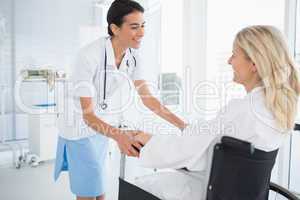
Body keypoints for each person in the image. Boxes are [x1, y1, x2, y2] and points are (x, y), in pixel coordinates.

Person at [133, 25, 300, 200]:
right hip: (239, 193)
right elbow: (211, 144)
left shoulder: (243, 109)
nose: (229, 61)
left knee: (143, 185)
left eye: (234, 55)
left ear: (254, 64)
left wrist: (150, 142)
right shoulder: (276, 110)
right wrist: (187, 130)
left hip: (217, 193)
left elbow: (187, 150)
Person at [54, 0, 186, 200]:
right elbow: (87, 115)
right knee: (88, 191)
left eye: (143, 26)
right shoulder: (89, 55)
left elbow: (148, 99)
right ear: (115, 28)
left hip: (101, 126)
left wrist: (183, 126)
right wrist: (119, 136)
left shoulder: (133, 57)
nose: (141, 32)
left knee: (99, 186)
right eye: (134, 27)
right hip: (79, 128)